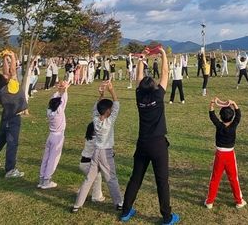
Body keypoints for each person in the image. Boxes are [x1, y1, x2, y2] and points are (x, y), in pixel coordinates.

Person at [120, 48, 179, 224]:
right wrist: (162, 53)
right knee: (162, 182)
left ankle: (125, 212)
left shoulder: (139, 95)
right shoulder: (158, 95)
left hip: (143, 143)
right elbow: (165, 72)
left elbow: (139, 77)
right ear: (153, 86)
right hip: (158, 144)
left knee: (135, 178)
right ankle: (167, 217)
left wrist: (141, 59)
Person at [72, 80, 123, 212]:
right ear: (107, 111)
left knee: (89, 179)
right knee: (111, 178)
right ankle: (119, 203)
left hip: (96, 153)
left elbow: (95, 109)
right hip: (106, 153)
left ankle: (77, 205)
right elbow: (117, 105)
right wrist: (111, 90)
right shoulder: (109, 121)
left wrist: (101, 94)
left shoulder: (95, 119)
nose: (112, 110)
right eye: (110, 109)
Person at [0, 50, 28, 178]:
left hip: (5, 116)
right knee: (12, 143)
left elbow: (6, 73)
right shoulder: (11, 87)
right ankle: (10, 170)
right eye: (6, 77)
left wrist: (5, 57)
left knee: (0, 140)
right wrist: (13, 57)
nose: (7, 75)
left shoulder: (0, 88)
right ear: (6, 81)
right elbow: (13, 72)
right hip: (13, 117)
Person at [204, 98, 246, 209]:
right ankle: (239, 201)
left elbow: (212, 116)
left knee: (215, 178)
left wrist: (212, 102)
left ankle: (209, 202)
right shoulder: (233, 125)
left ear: (221, 117)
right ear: (232, 117)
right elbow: (238, 115)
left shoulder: (219, 125)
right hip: (230, 155)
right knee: (233, 178)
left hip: (220, 155)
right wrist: (234, 103)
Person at [38, 80, 70, 189]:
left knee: (46, 157)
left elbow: (54, 100)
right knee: (53, 159)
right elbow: (63, 100)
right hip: (58, 137)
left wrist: (58, 90)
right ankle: (47, 181)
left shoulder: (49, 111)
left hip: (50, 136)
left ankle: (42, 178)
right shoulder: (59, 112)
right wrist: (65, 89)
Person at [79, 122, 106, 204]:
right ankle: (97, 196)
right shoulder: (96, 141)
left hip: (83, 163)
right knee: (97, 178)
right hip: (88, 164)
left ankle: (81, 192)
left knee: (90, 179)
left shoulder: (89, 138)